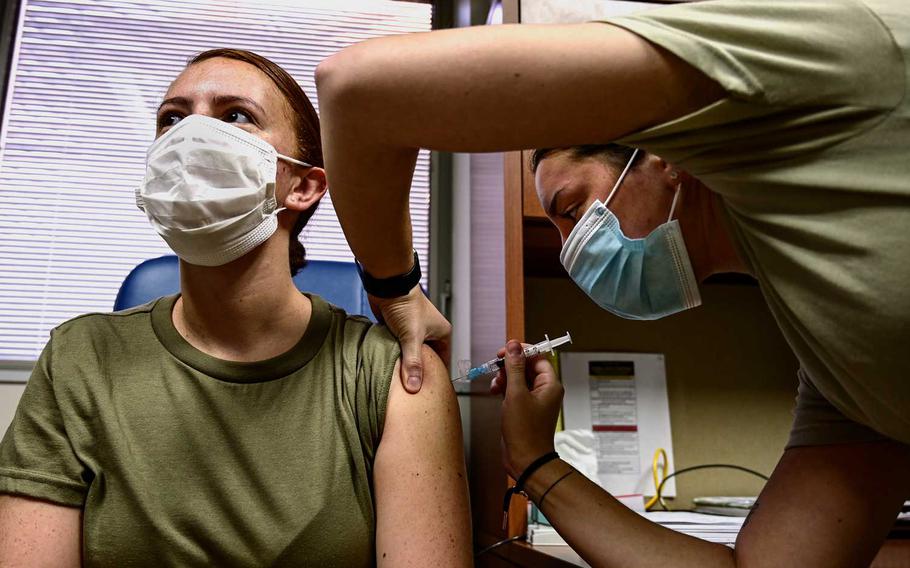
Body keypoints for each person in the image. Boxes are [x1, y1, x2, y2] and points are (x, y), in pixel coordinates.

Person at [314, 0, 910, 565]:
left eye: (572, 208)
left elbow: (357, 91)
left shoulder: (826, 72)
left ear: (660, 150)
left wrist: (396, 292)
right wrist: (534, 461)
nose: (577, 254)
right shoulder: (848, 368)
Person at [0, 49, 472, 567]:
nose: (188, 137)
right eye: (172, 119)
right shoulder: (80, 358)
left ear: (305, 185)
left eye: (235, 115)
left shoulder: (391, 375)